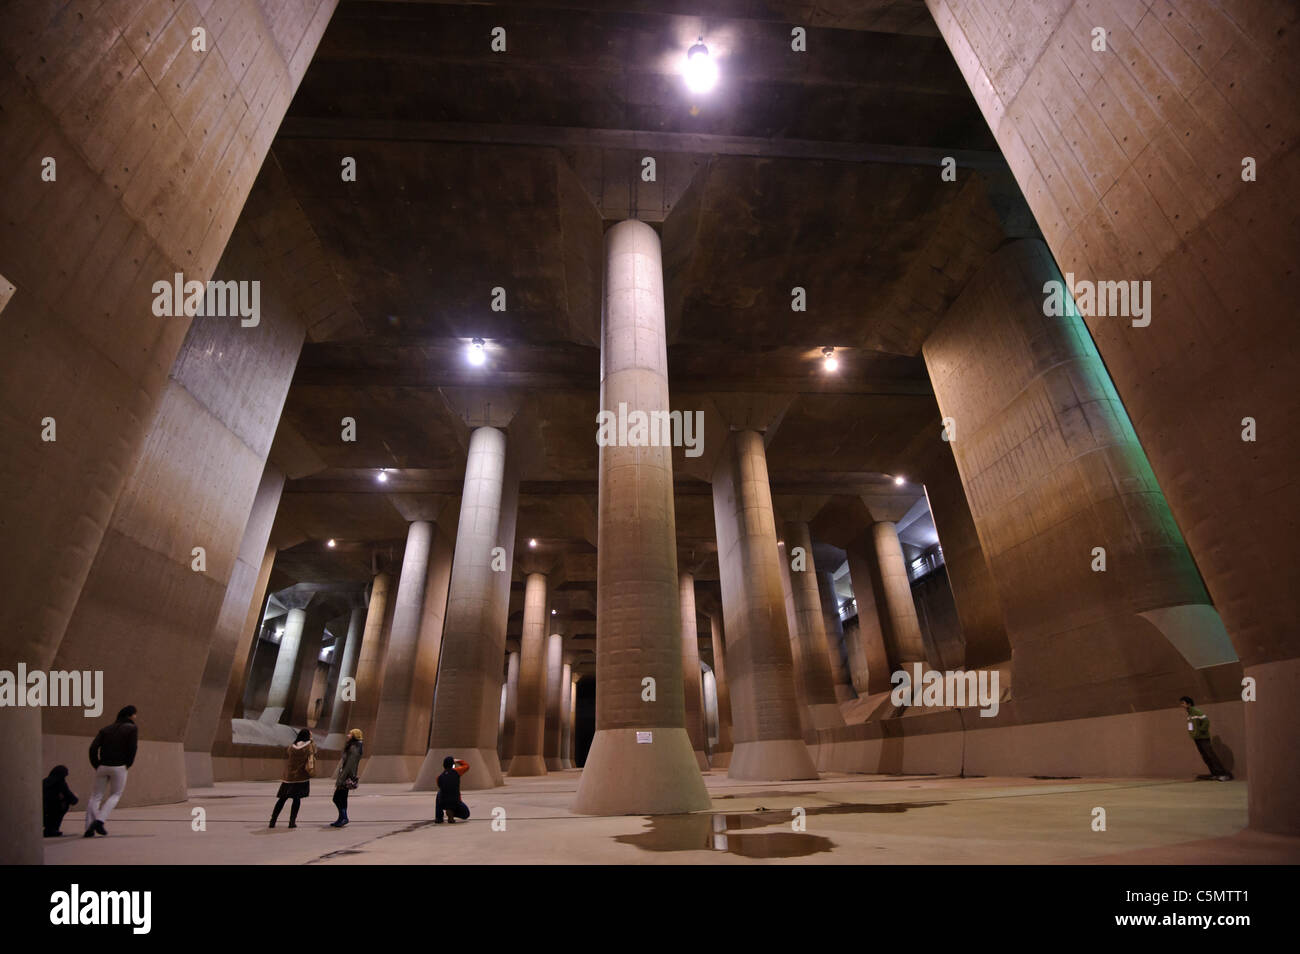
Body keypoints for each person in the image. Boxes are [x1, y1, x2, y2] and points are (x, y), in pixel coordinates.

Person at [84, 705, 138, 837]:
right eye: (135, 714)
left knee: (95, 796)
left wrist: (96, 764)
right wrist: (128, 764)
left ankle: (88, 827)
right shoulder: (132, 728)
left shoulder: (105, 729)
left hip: (102, 766)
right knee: (115, 795)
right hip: (119, 766)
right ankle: (100, 821)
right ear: (130, 715)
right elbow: (132, 748)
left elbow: (93, 748)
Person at [269, 729, 317, 828]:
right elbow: (314, 753)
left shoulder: (291, 747)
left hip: (289, 777)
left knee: (282, 799)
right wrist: (312, 740)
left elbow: (288, 754)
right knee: (296, 800)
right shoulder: (308, 747)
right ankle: (292, 822)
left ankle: (273, 821)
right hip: (300, 777)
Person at [1180, 696, 1232, 780]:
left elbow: (1206, 721)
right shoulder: (1189, 714)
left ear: (1189, 704)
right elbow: (1190, 726)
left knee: (1210, 755)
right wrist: (1192, 734)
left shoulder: (1196, 711)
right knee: (1205, 756)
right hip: (1197, 738)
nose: (1181, 705)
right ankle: (1215, 773)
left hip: (1203, 738)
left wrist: (1200, 731)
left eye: (1183, 703)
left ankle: (1223, 774)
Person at [331, 728, 364, 828]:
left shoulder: (354, 747)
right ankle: (341, 818)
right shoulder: (353, 746)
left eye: (350, 734)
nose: (348, 735)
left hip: (346, 777)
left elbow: (350, 765)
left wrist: (341, 779)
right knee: (342, 798)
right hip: (346, 775)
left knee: (336, 798)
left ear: (355, 736)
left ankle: (344, 817)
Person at [42, 765, 78, 837]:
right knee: (64, 804)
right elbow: (69, 796)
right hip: (53, 810)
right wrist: (75, 799)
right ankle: (52, 829)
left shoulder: (44, 781)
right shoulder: (60, 783)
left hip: (42, 811)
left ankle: (49, 828)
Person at [433, 756, 471, 824]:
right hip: (456, 802)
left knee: (439, 793)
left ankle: (439, 818)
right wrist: (458, 760)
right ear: (453, 765)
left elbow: (442, 787)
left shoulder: (439, 777)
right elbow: (467, 766)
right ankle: (452, 812)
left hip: (444, 803)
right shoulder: (457, 771)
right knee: (466, 814)